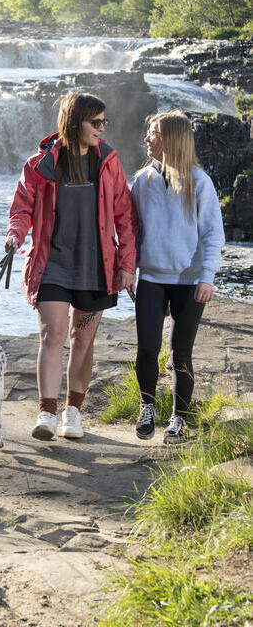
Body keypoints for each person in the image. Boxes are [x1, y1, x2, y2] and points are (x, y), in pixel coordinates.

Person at [5, 92, 138, 441]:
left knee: (83, 340)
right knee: (52, 335)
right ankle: (46, 412)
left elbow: (125, 217)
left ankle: (73, 412)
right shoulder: (40, 165)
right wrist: (15, 236)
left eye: (104, 122)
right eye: (95, 123)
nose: (101, 129)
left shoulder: (108, 162)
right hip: (51, 263)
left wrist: (127, 265)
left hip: (95, 267)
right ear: (74, 122)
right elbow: (21, 209)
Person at [131, 110, 225, 444]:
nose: (147, 138)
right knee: (147, 348)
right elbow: (129, 229)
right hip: (152, 278)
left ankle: (179, 418)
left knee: (180, 353)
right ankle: (147, 408)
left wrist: (207, 277)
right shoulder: (142, 181)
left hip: (190, 281)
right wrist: (127, 269)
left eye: (153, 132)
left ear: (171, 139)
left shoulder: (200, 182)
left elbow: (214, 234)